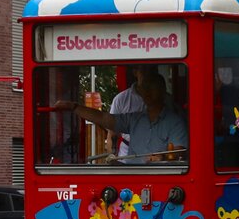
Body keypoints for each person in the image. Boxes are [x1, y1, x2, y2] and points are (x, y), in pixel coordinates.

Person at [56, 70, 187, 163]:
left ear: (163, 91)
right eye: (146, 89)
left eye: (152, 88)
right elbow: (104, 118)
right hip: (131, 181)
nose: (148, 92)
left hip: (162, 179)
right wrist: (74, 107)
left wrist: (161, 158)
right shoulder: (134, 119)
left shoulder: (175, 122)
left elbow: (178, 150)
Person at [109, 67, 147, 157]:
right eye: (144, 71)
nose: (147, 75)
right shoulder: (120, 99)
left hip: (157, 153)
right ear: (135, 72)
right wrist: (112, 157)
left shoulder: (165, 99)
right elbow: (112, 133)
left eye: (151, 71)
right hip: (126, 153)